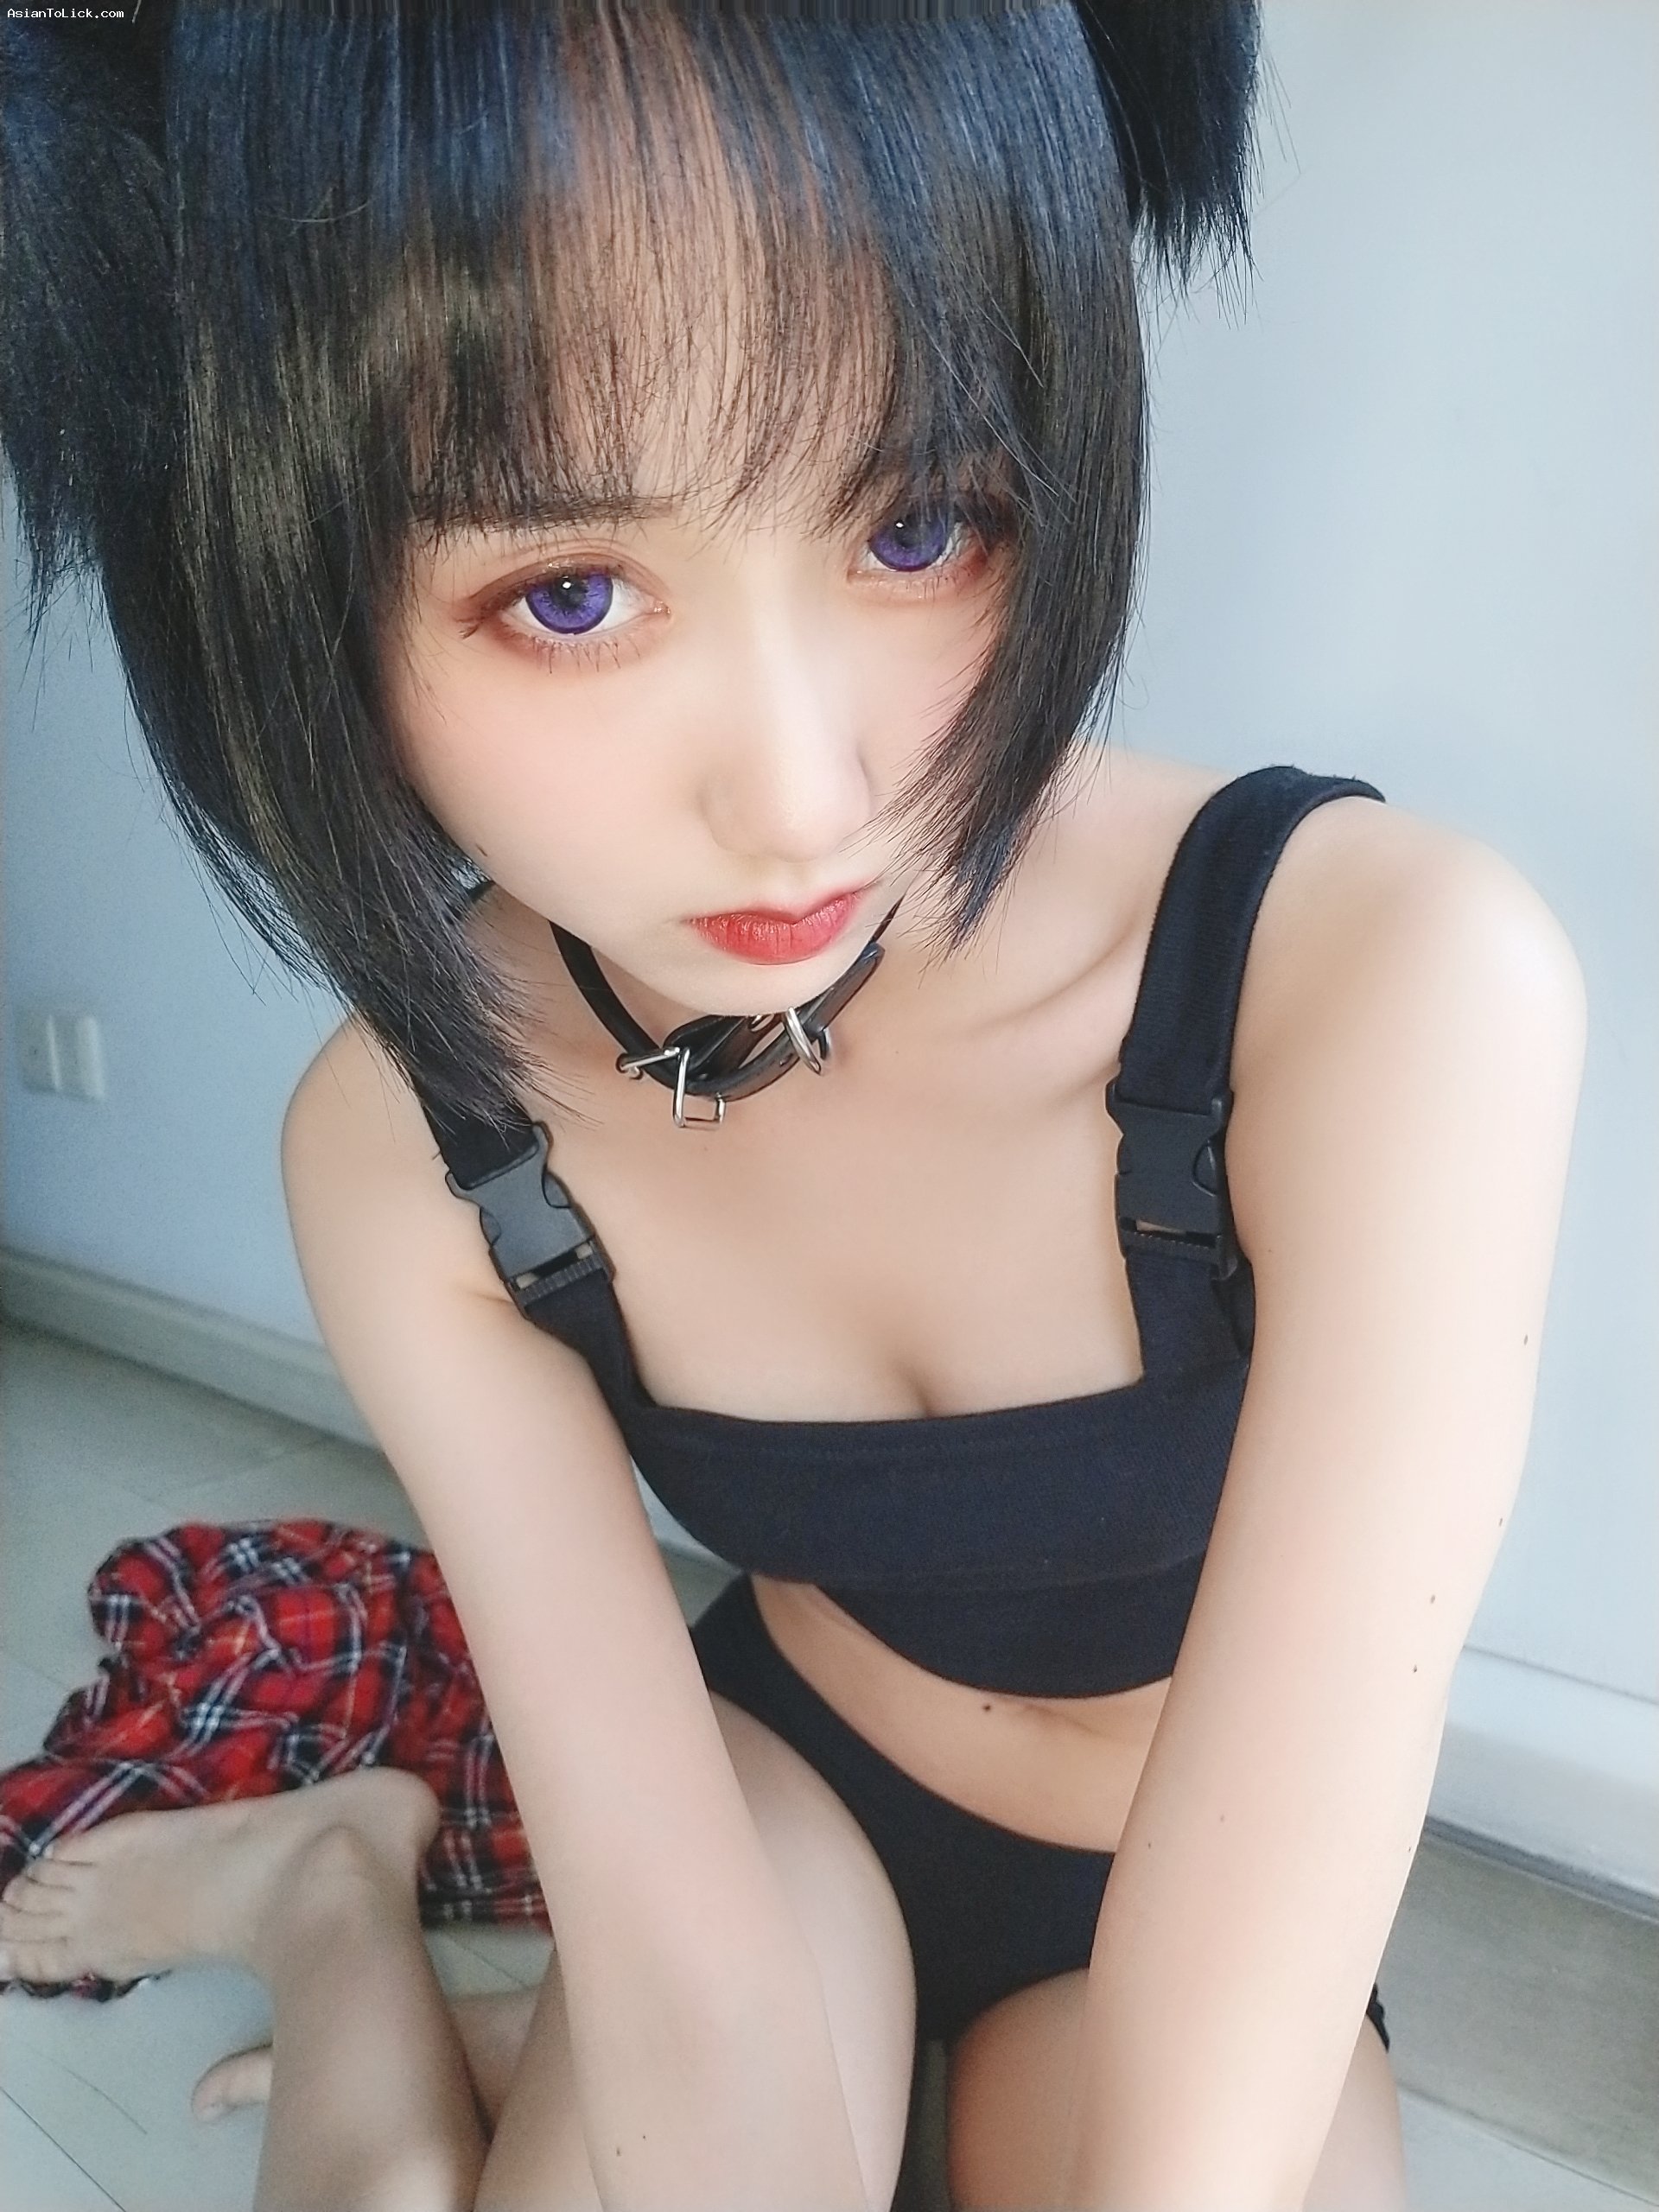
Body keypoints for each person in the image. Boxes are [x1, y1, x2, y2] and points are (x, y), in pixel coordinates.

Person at [0, 3, 1586, 2208]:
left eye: (918, 524)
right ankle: (332, 1893)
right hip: (782, 1785)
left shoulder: (1381, 982)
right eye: (571, 593)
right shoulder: (414, 1142)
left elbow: (1227, 2047)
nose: (802, 792)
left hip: (1186, 1878)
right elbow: (699, 1988)